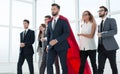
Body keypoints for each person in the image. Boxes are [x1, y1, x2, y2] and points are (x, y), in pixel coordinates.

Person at [97, 6, 119, 74]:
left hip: (111, 48)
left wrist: (102, 34)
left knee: (113, 66)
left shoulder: (111, 20)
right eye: (99, 11)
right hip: (101, 48)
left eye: (101, 10)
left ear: (106, 12)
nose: (99, 12)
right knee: (100, 68)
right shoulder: (100, 24)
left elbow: (114, 31)